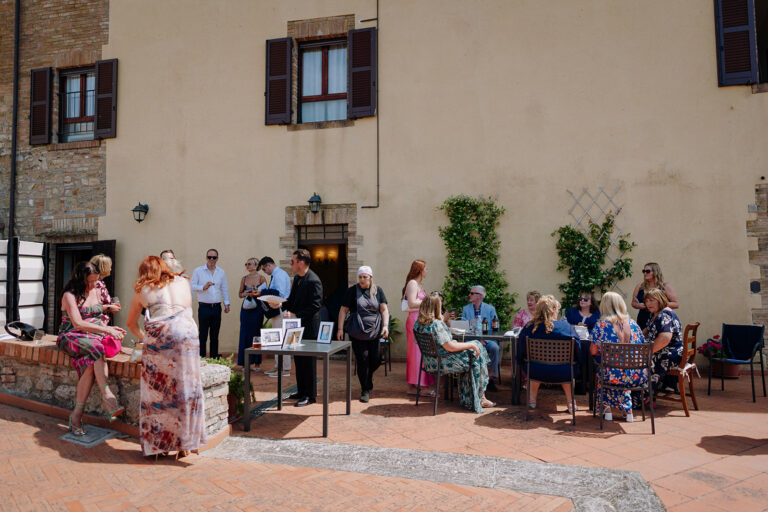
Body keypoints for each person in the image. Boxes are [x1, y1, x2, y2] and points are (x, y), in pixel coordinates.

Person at [126, 256, 206, 458]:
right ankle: (186, 444)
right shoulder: (183, 281)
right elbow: (187, 307)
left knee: (158, 394)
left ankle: (159, 446)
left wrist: (147, 339)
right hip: (188, 335)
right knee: (187, 390)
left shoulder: (143, 289)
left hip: (163, 335)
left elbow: (130, 324)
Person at [56, 262, 126, 436]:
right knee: (97, 347)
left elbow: (97, 317)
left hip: (92, 337)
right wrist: (106, 330)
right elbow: (78, 324)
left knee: (89, 363)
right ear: (80, 280)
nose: (94, 285)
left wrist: (111, 329)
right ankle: (107, 396)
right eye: (90, 282)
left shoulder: (95, 291)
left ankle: (76, 416)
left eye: (96, 281)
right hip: (70, 336)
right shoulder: (69, 296)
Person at [413, 294, 495, 413]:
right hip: (443, 362)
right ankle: (479, 397)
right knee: (476, 353)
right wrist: (471, 345)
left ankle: (471, 397)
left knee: (475, 349)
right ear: (435, 308)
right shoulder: (437, 324)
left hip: (429, 361)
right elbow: (450, 347)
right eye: (440, 306)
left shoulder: (418, 324)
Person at [590, 292, 647, 423]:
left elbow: (593, 351)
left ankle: (607, 409)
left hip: (612, 375)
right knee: (620, 369)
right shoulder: (634, 325)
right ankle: (628, 411)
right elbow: (643, 348)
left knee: (605, 369)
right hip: (636, 375)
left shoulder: (602, 326)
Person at [517, 295, 580, 412]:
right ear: (553, 310)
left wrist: (521, 362)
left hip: (535, 370)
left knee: (532, 363)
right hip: (563, 372)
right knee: (568, 366)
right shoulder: (566, 328)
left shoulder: (529, 327)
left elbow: (520, 349)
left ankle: (532, 400)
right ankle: (570, 403)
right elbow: (577, 349)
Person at [337, 266, 390, 403]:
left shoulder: (378, 291)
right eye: (360, 277)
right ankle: (365, 389)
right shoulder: (352, 291)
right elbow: (343, 310)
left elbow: (384, 310)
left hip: (374, 330)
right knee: (363, 359)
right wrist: (340, 329)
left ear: (370, 277)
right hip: (357, 330)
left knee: (376, 359)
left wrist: (385, 326)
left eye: (364, 277)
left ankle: (368, 376)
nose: (362, 279)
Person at [283, 249, 323, 407]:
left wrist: (296, 315)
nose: (290, 264)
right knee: (298, 359)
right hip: (296, 327)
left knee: (308, 361)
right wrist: (279, 304)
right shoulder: (298, 279)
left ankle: (310, 395)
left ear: (301, 262)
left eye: (292, 261)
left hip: (309, 328)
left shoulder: (314, 280)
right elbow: (292, 301)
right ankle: (301, 390)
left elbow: (315, 306)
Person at [190, 248, 230, 358]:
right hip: (204, 307)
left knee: (214, 335)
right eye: (209, 257)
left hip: (216, 307)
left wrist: (227, 303)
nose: (211, 259)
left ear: (217, 258)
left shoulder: (221, 272)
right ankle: (201, 358)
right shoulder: (198, 271)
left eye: (214, 257)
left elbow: (224, 288)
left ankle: (213, 358)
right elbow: (192, 285)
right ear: (206, 257)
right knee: (202, 335)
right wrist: (203, 287)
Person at [643, 287, 683, 395]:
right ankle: (645, 395)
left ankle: (642, 396)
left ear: (660, 299)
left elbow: (665, 339)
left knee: (640, 363)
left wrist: (646, 353)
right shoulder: (654, 314)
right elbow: (646, 331)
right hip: (663, 350)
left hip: (671, 353)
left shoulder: (665, 314)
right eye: (646, 301)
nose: (648, 303)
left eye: (652, 300)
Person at [461, 285, 501, 392]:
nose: (469, 295)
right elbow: (463, 328)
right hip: (471, 341)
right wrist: (478, 341)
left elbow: (496, 327)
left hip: (487, 340)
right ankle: (470, 378)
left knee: (495, 348)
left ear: (479, 296)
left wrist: (485, 339)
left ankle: (491, 378)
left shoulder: (490, 309)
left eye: (472, 293)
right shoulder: (466, 309)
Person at [402, 260, 434, 395]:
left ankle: (415, 386)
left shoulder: (419, 284)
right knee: (417, 353)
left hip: (421, 320)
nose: (427, 271)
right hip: (415, 320)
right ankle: (419, 386)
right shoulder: (413, 283)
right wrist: (429, 301)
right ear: (420, 270)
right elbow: (411, 302)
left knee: (420, 352)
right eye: (425, 268)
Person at [258, 256, 293, 378]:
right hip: (275, 310)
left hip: (281, 310)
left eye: (264, 269)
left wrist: (265, 294)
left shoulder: (279, 275)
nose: (265, 272)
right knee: (276, 340)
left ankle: (286, 368)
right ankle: (278, 366)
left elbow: (281, 294)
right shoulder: (276, 275)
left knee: (283, 340)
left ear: (269, 265)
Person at [237, 257, 267, 368]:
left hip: (257, 309)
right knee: (244, 333)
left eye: (249, 264)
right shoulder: (244, 279)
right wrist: (245, 293)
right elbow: (239, 294)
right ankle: (245, 362)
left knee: (256, 334)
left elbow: (265, 293)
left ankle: (257, 363)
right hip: (246, 309)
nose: (247, 266)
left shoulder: (261, 278)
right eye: (246, 264)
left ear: (256, 265)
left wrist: (256, 293)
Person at [631, 262, 679, 330]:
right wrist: (639, 305)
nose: (645, 273)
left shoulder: (665, 287)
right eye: (643, 271)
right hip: (643, 319)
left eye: (647, 271)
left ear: (655, 272)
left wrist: (658, 304)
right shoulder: (640, 286)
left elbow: (676, 304)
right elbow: (633, 303)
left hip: (660, 319)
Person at [89, 254, 120, 324]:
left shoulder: (101, 283)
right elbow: (90, 307)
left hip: (100, 323)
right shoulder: (96, 284)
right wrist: (109, 307)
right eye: (109, 266)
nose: (110, 269)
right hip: (95, 323)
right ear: (103, 267)